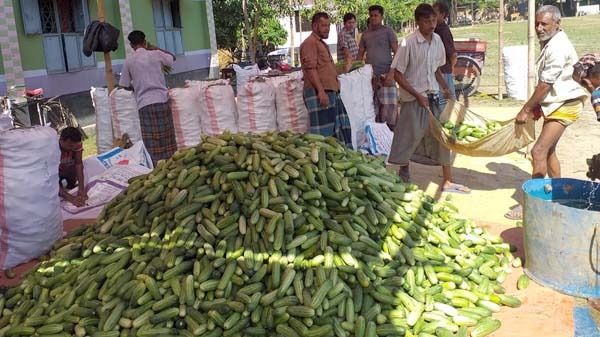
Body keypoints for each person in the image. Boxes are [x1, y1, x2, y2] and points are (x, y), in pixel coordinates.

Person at [505, 5, 587, 220]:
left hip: (565, 104)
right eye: (537, 23)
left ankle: (535, 205)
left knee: (538, 152)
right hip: (558, 102)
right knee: (549, 151)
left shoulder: (558, 47)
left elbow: (544, 85)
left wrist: (527, 108)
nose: (539, 28)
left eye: (544, 24)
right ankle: (558, 196)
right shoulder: (551, 42)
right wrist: (540, 106)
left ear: (557, 24)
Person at [388, 3, 470, 194]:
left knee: (441, 139)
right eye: (427, 21)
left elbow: (436, 69)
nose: (431, 24)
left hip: (433, 96)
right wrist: (417, 95)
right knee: (409, 137)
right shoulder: (408, 43)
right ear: (418, 22)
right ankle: (404, 171)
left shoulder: (438, 40)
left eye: (433, 20)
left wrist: (445, 87)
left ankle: (447, 180)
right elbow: (397, 74)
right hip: (413, 99)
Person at [119, 30, 177, 166]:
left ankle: (156, 168)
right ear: (145, 42)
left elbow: (124, 85)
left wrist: (136, 88)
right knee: (167, 136)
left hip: (144, 104)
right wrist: (156, 48)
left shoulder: (129, 61)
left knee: (152, 140)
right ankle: (172, 164)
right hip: (161, 100)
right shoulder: (155, 54)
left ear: (132, 45)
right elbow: (172, 57)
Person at [300, 12, 352, 148]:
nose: (327, 29)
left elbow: (326, 68)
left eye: (328, 25)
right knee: (322, 136)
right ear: (315, 26)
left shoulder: (321, 44)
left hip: (330, 92)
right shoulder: (310, 43)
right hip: (318, 93)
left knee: (335, 132)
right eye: (323, 25)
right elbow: (311, 69)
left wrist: (339, 73)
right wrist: (321, 92)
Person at [356, 5, 399, 127]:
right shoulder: (365, 35)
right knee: (373, 111)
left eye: (376, 15)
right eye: (371, 16)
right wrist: (355, 73)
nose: (373, 18)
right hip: (370, 78)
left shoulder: (388, 31)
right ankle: (379, 138)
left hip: (386, 76)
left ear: (381, 17)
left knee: (390, 111)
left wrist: (392, 73)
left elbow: (398, 54)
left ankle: (391, 139)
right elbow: (360, 56)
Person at [433, 1, 457, 107]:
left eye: (434, 13)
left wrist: (450, 67)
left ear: (442, 15)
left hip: (443, 71)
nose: (431, 17)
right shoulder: (434, 30)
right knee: (438, 103)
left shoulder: (444, 31)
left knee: (446, 104)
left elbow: (452, 54)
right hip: (435, 72)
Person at [59, 127, 87, 207]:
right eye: (70, 145)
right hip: (54, 171)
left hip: (66, 167)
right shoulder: (52, 149)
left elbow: (78, 164)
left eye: (75, 146)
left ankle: (70, 185)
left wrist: (81, 189)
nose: (72, 149)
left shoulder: (76, 144)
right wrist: (71, 199)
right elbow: (50, 180)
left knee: (72, 170)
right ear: (61, 140)